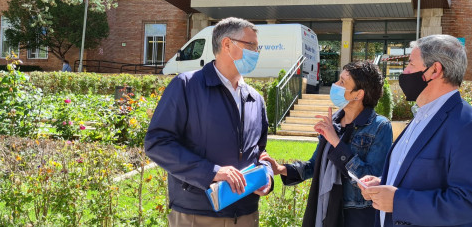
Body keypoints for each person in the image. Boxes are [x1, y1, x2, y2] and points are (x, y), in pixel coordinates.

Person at [360, 35, 472, 227]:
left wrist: (399, 201)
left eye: (410, 63)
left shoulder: (470, 127)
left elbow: (471, 202)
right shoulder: (421, 116)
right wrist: (385, 182)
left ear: (434, 70)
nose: (405, 71)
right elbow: (421, 176)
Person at [145, 17, 273, 227]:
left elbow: (260, 153)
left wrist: (266, 175)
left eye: (258, 48)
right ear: (227, 45)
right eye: (252, 46)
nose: (256, 53)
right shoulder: (186, 86)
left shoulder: (255, 99)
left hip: (246, 215)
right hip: (197, 214)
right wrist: (212, 173)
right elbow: (157, 144)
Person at [263, 61, 393, 227]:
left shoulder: (380, 127)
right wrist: (282, 169)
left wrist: (336, 143)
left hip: (357, 216)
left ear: (358, 94)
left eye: (342, 82)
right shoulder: (334, 123)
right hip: (325, 211)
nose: (335, 85)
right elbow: (313, 165)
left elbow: (370, 182)